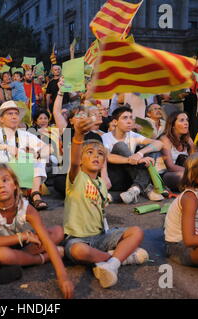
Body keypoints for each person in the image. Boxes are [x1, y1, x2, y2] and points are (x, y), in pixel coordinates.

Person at [64, 118, 148, 288]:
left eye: (100, 154)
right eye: (89, 152)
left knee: (136, 231)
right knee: (77, 251)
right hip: (79, 240)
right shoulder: (76, 177)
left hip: (102, 236)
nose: (95, 155)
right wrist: (78, 135)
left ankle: (111, 263)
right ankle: (117, 258)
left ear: (104, 162)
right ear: (81, 160)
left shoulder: (102, 184)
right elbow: (73, 161)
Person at [0, 163, 74, 299]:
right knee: (2, 254)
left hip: (17, 245)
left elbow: (47, 241)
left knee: (57, 232)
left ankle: (20, 258)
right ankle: (39, 259)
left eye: (5, 180)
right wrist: (24, 236)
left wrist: (63, 277)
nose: (1, 185)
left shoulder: (27, 209)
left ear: (15, 185)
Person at [0, 101, 50, 210]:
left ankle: (35, 194)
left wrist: (37, 153)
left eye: (16, 114)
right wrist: (8, 147)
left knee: (40, 158)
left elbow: (46, 148)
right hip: (2, 171)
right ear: (1, 119)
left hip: (22, 169)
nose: (14, 116)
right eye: (10, 114)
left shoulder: (25, 134)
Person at [102, 106, 165, 203]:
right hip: (115, 176)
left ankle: (135, 189)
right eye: (125, 118)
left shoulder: (133, 135)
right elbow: (108, 157)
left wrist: (140, 154)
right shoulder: (105, 137)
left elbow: (159, 143)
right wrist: (135, 160)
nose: (129, 121)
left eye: (131, 117)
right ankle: (145, 188)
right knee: (120, 146)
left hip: (130, 176)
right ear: (115, 122)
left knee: (152, 150)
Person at [159, 112, 195, 191]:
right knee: (184, 176)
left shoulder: (188, 140)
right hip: (167, 174)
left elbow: (194, 161)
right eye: (182, 120)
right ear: (172, 125)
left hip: (186, 171)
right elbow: (170, 166)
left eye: (187, 120)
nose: (186, 123)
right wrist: (191, 172)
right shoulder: (165, 139)